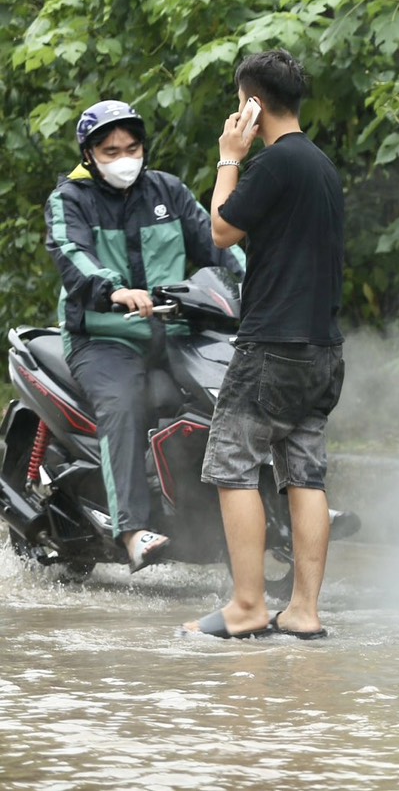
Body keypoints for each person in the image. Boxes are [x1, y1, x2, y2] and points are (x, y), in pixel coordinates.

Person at [183, 50, 345, 640]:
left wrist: (230, 158)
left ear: (251, 104)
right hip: (323, 350)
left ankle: (247, 607)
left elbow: (221, 229)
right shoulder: (323, 167)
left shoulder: (274, 165)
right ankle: (304, 612)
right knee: (305, 475)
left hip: (270, 346)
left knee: (234, 467)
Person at [45, 99, 244, 572]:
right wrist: (113, 290)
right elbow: (71, 252)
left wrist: (253, 288)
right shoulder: (70, 200)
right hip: (102, 336)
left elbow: (216, 246)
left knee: (236, 389)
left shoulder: (168, 192)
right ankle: (132, 530)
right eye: (111, 151)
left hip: (174, 330)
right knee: (124, 406)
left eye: (132, 147)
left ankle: (275, 505)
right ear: (89, 155)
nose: (124, 158)